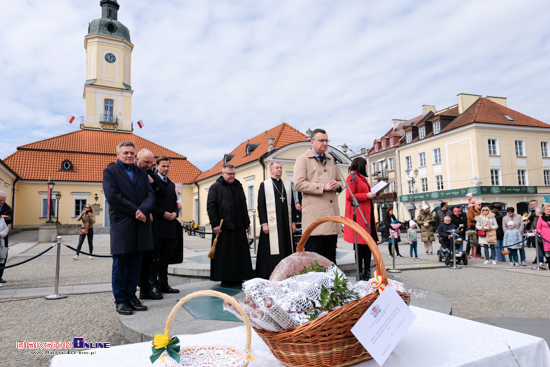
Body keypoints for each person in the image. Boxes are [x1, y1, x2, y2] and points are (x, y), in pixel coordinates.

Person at [103, 141, 155, 315]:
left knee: (136, 264)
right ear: (118, 154)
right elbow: (113, 196)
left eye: (132, 153)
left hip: (141, 225)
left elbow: (150, 194)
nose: (129, 155)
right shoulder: (110, 172)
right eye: (125, 153)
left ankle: (132, 296)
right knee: (120, 264)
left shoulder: (140, 173)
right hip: (122, 224)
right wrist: (137, 211)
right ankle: (120, 299)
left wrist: (144, 210)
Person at [294, 128, 342, 263]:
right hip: (314, 218)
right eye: (321, 140)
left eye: (327, 140)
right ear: (312, 142)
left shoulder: (331, 159)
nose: (325, 143)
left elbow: (340, 181)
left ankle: (331, 284)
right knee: (314, 261)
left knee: (330, 259)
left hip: (331, 217)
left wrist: (337, 185)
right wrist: (323, 187)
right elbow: (298, 184)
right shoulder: (302, 159)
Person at [207, 163, 253, 286]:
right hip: (223, 227)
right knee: (225, 255)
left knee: (239, 253)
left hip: (238, 226)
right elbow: (211, 206)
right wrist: (215, 224)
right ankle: (226, 278)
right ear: (223, 174)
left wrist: (247, 223)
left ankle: (239, 276)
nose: (232, 176)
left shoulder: (238, 186)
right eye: (229, 174)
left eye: (233, 173)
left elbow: (243, 205)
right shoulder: (215, 187)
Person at [256, 161, 297, 279]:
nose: (279, 170)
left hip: (285, 223)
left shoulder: (287, 185)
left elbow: (293, 205)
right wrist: (264, 223)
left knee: (286, 247)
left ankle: (287, 273)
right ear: (271, 170)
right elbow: (261, 206)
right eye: (277, 168)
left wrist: (293, 221)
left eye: (281, 168)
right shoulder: (265, 185)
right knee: (272, 250)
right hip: (271, 224)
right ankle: (271, 273)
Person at [343, 157, 378, 279]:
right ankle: (360, 272)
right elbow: (349, 196)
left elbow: (364, 195)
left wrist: (374, 194)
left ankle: (367, 271)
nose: (367, 167)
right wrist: (366, 195)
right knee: (360, 247)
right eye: (366, 165)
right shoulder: (352, 177)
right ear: (361, 165)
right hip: (360, 217)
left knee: (368, 246)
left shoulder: (363, 179)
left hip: (367, 216)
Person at [135, 148, 163, 301]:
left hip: (151, 221)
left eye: (151, 162)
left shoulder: (151, 174)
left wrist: (153, 181)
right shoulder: (131, 174)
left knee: (150, 256)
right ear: (137, 158)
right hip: (136, 218)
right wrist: (144, 211)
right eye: (146, 162)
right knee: (135, 258)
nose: (149, 165)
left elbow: (158, 193)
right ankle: (134, 291)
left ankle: (146, 287)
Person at [150, 156, 180, 294]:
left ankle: (164, 284)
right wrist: (163, 213)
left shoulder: (171, 184)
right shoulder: (152, 181)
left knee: (165, 258)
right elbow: (151, 204)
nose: (166, 169)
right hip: (156, 225)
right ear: (157, 166)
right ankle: (153, 284)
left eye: (168, 166)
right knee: (155, 258)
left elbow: (174, 203)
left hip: (169, 227)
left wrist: (175, 212)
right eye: (163, 166)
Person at [0, 191, 12, 283]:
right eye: (0, 200)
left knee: (3, 256)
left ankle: (0, 276)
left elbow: (9, 223)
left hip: (3, 237)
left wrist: (7, 218)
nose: (2, 202)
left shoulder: (7, 208)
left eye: (3, 200)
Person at [535, 203, 550, 268]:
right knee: (547, 251)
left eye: (549, 209)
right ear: (544, 210)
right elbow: (538, 228)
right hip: (546, 237)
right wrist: (543, 234)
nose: (548, 210)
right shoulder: (541, 218)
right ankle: (549, 263)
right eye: (547, 209)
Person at [0, 216, 8, 287]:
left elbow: (6, 229)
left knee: (1, 260)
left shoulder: (2, 219)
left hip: (1, 241)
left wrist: (1, 234)